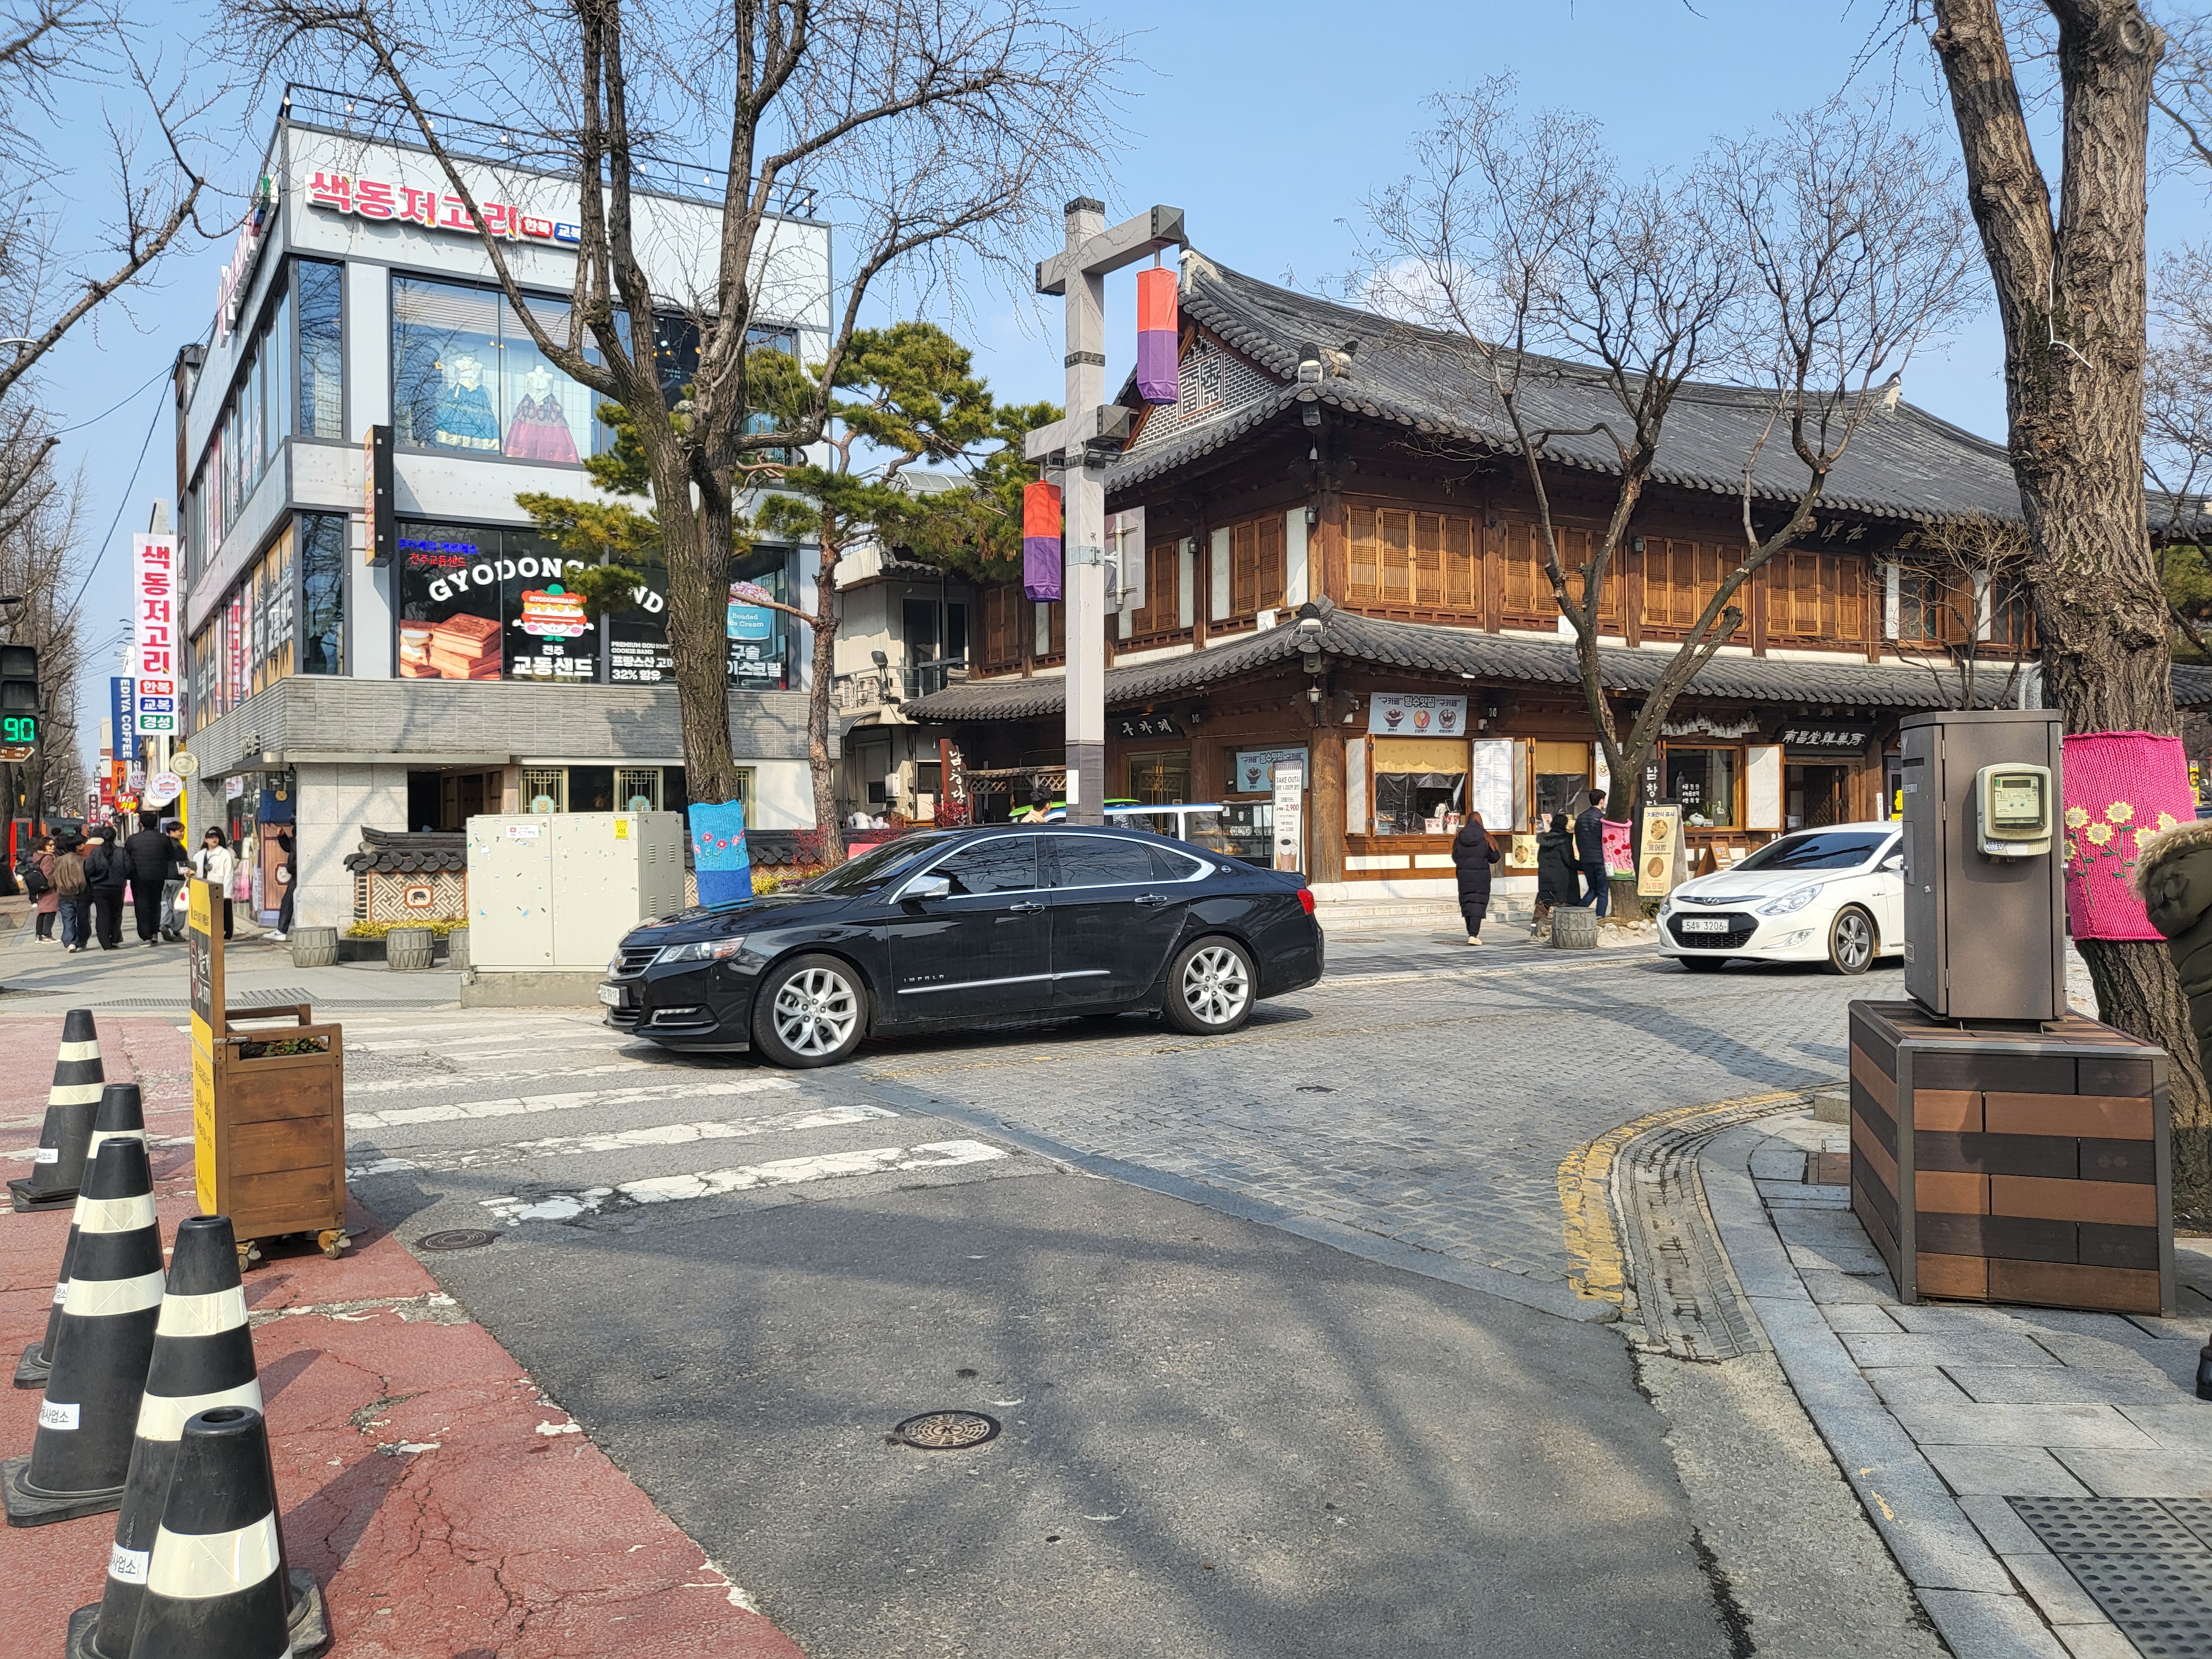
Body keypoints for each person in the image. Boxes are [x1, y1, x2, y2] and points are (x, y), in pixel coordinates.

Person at [123, 811, 186, 945]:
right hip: (158, 876)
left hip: (138, 877)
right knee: (155, 904)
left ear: (141, 824)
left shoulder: (133, 839)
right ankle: (154, 933)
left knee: (142, 906)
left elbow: (127, 857)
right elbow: (170, 856)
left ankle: (145, 934)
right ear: (156, 823)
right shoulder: (163, 839)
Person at [1450, 811, 1502, 946]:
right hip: (1481, 877)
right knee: (1478, 903)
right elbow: (1495, 857)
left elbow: (1455, 857)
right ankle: (1474, 935)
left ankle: (1471, 933)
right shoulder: (1485, 837)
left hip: (1464, 876)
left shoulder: (1460, 837)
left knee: (1468, 902)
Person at [1531, 812, 1579, 939]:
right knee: (1567, 901)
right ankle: (1568, 926)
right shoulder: (1564, 839)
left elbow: (1539, 859)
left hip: (1545, 876)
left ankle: (1535, 927)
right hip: (1562, 877)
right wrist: (1582, 866)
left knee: (1543, 902)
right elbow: (1569, 860)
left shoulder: (1544, 840)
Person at [84, 825, 128, 950]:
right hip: (118, 886)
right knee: (116, 913)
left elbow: (89, 869)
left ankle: (105, 941)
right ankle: (114, 939)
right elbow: (129, 868)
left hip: (99, 887)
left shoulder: (95, 852)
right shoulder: (121, 852)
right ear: (115, 837)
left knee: (103, 914)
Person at [192, 828, 236, 940]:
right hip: (204, 888)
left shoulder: (225, 854)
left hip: (220, 888)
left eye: (216, 837)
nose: (214, 840)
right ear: (206, 840)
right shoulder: (199, 856)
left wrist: (226, 893)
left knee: (223, 912)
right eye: (211, 838)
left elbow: (229, 874)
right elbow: (196, 872)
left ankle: (225, 933)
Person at [1574, 789, 1611, 918]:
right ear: (1601, 801)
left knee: (1593, 888)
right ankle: (1600, 916)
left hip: (1586, 858)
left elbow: (1578, 839)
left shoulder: (1580, 818)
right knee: (1602, 890)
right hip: (1600, 858)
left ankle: (1577, 911)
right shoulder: (1602, 819)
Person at [51, 835, 90, 953]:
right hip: (81, 894)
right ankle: (82, 941)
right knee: (83, 919)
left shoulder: (59, 861)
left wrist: (56, 888)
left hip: (64, 894)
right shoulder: (82, 860)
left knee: (68, 919)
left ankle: (70, 942)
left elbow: (52, 878)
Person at [22, 835, 57, 942]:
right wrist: (54, 883)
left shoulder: (38, 856)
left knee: (42, 911)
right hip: (49, 889)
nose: (53, 847)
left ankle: (39, 935)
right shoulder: (48, 858)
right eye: (50, 845)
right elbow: (48, 873)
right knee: (50, 911)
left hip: (41, 888)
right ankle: (46, 935)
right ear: (44, 846)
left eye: (54, 845)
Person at [270, 827, 296, 941]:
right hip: (296, 873)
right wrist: (283, 837)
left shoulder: (303, 832)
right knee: (287, 901)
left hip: (300, 872)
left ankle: (281, 931)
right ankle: (281, 931)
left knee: (288, 901)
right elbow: (290, 848)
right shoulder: (297, 835)